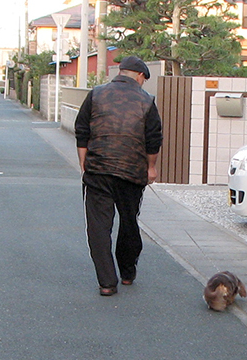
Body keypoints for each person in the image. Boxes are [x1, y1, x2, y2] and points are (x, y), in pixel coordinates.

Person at [75, 56, 163, 296]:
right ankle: (127, 273)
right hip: (131, 173)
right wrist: (151, 168)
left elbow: (82, 130)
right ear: (140, 76)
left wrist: (84, 162)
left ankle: (106, 282)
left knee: (98, 227)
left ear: (121, 72)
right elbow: (153, 138)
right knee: (128, 221)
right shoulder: (147, 101)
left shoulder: (96, 94)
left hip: (98, 170)